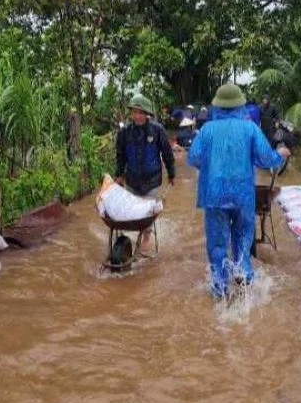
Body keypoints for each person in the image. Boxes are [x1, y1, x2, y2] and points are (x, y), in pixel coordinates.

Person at [188, 84, 291, 298]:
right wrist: (280, 153)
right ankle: (244, 280)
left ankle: (220, 290)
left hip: (214, 195)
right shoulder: (250, 128)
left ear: (217, 105)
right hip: (243, 195)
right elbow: (266, 159)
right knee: (243, 238)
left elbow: (194, 158)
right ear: (240, 105)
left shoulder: (207, 130)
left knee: (217, 243)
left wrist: (213, 168)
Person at [115, 94, 176, 253]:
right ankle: (130, 239)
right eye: (135, 112)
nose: (137, 116)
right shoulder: (125, 132)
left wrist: (172, 173)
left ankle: (147, 236)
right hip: (132, 179)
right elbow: (120, 156)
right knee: (132, 211)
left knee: (148, 211)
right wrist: (119, 175)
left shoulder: (157, 131)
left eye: (141, 113)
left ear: (147, 114)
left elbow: (167, 153)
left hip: (152, 180)